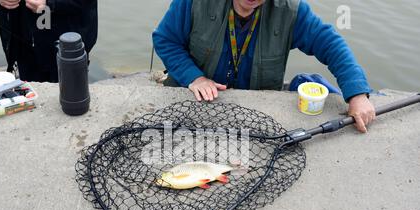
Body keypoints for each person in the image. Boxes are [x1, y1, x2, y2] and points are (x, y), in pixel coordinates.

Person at [153, 0, 376, 133]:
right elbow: (165, 39)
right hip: (196, 100)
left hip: (253, 110)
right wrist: (195, 78)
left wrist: (357, 94)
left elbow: (331, 44)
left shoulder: (290, 10)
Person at [0, 0, 98, 82]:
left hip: (65, 42)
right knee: (30, 91)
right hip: (23, 41)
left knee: (69, 94)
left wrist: (50, 3)